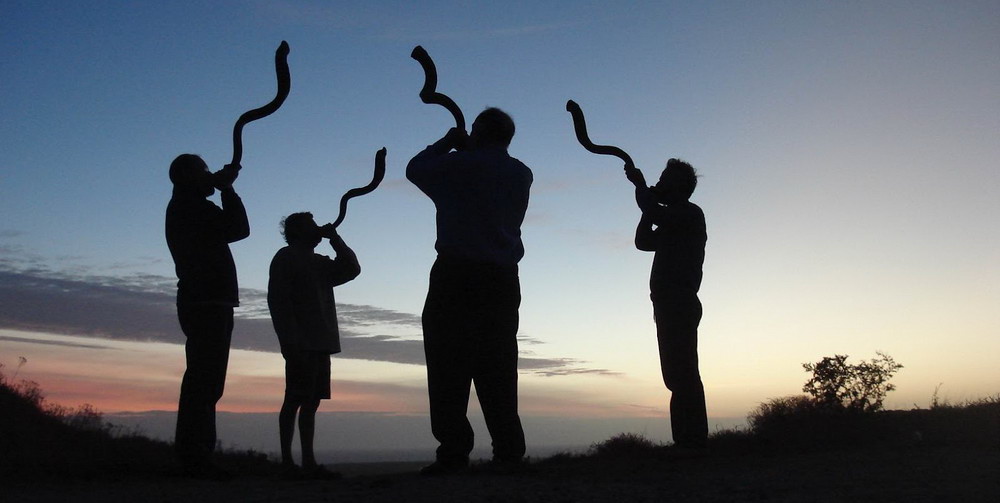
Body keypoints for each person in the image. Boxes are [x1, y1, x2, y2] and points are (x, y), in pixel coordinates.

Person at [406, 108, 533, 475]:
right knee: (499, 363)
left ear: (477, 132)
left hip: (456, 274)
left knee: (448, 363)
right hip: (502, 278)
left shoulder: (458, 166)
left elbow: (415, 169)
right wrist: (466, 150)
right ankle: (508, 450)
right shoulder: (521, 173)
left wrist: (449, 142)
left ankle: (454, 451)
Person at [165, 154, 248, 478]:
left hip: (207, 302)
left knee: (204, 380)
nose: (208, 174)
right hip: (206, 303)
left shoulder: (189, 206)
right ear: (188, 176)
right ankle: (195, 458)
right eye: (202, 170)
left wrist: (222, 186)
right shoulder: (191, 207)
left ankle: (195, 455)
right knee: (204, 381)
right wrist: (226, 188)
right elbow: (239, 229)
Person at [267, 212, 360, 479]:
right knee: (294, 398)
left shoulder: (320, 263)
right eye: (311, 225)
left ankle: (308, 462)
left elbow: (352, 269)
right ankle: (287, 462)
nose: (317, 228)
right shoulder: (286, 258)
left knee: (312, 402)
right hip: (301, 342)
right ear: (297, 231)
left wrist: (336, 240)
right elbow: (278, 300)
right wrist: (289, 339)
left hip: (321, 342)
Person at [625, 158, 708, 449]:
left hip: (679, 302)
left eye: (664, 179)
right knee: (676, 373)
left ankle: (692, 441)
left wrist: (640, 187)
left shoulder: (689, 214)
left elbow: (653, 212)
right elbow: (643, 241)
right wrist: (648, 201)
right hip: (667, 304)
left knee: (682, 372)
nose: (659, 182)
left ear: (680, 186)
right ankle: (687, 440)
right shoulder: (673, 218)